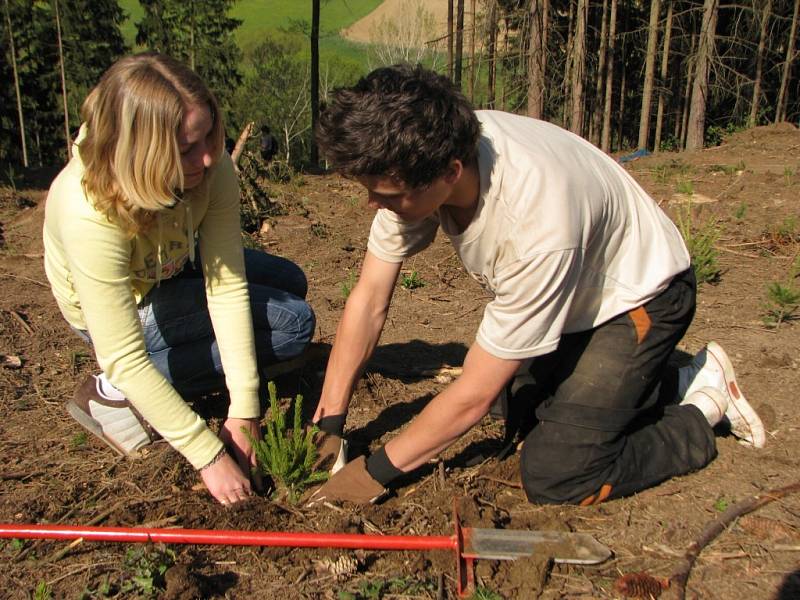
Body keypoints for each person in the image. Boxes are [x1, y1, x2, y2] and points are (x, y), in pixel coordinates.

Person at [306, 64, 765, 506]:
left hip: (641, 296)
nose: (371, 204)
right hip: (575, 293)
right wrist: (329, 423)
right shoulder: (428, 143)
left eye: (385, 195)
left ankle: (701, 407)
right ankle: (663, 380)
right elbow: (368, 301)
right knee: (515, 402)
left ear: (450, 173)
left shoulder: (534, 224)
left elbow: (473, 395)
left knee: (559, 471)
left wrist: (372, 474)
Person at [43, 53, 315, 506]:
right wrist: (208, 455)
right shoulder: (87, 210)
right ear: (141, 152)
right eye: (187, 148)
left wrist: (245, 409)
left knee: (290, 282)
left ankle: (154, 381)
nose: (209, 157)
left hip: (167, 265)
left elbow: (225, 283)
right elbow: (125, 354)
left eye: (208, 134)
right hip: (121, 310)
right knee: (293, 325)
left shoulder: (210, 168)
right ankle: (111, 394)